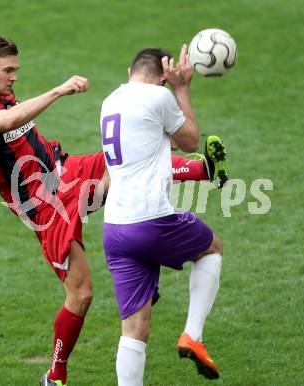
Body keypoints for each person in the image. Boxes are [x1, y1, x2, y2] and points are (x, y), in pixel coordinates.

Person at [0, 36, 226, 386]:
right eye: (8, 71)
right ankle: (55, 374)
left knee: (125, 160)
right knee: (81, 294)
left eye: (16, 71)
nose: (14, 78)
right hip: (42, 204)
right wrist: (58, 90)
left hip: (61, 171)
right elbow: (7, 122)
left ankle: (203, 169)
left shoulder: (4, 93)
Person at [100, 45, 224, 385]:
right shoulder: (159, 97)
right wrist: (182, 88)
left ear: (130, 72)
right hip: (152, 221)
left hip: (115, 229)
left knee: (134, 328)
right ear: (163, 77)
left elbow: (153, 141)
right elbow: (190, 141)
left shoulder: (110, 101)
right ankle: (193, 336)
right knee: (212, 248)